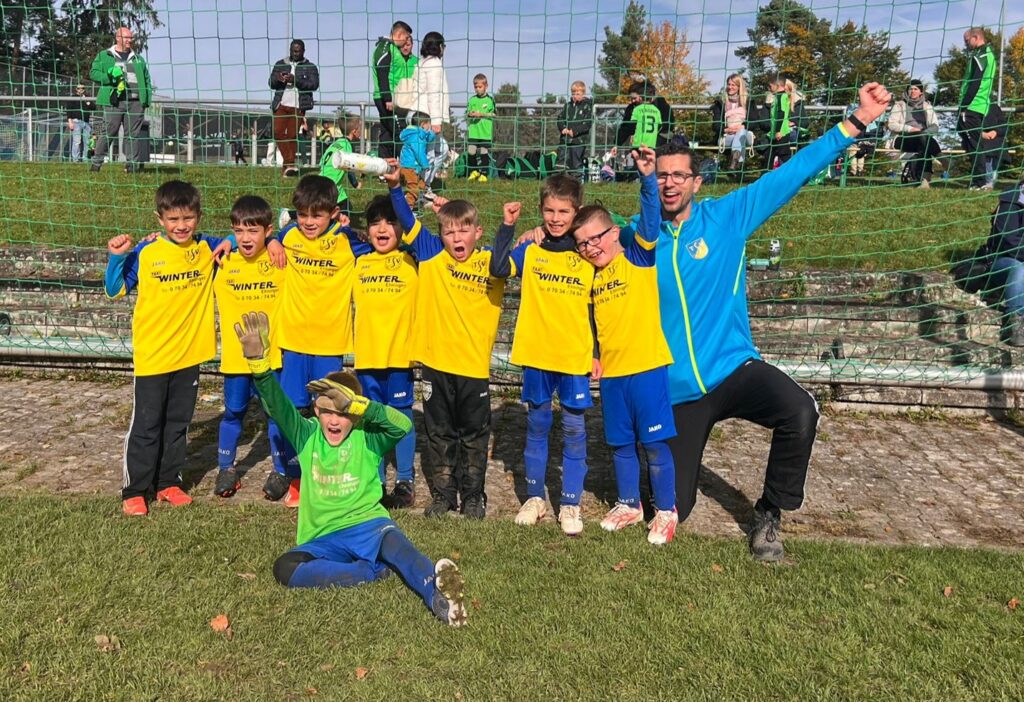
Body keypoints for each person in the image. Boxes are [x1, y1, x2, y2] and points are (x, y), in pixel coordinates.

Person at [622, 81, 892, 561]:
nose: (670, 183)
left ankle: (769, 513)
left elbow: (794, 171)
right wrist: (537, 234)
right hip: (675, 389)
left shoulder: (728, 217)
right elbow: (585, 239)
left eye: (679, 175)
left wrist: (858, 120)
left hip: (733, 368)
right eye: (662, 175)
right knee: (672, 507)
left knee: (800, 410)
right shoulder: (637, 238)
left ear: (696, 182)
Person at [232, 314, 467, 626]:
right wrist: (259, 365)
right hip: (323, 538)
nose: (333, 420)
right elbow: (278, 406)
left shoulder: (367, 437)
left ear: (355, 415)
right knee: (284, 568)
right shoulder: (306, 435)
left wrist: (360, 405)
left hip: (369, 527)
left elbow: (402, 425)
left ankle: (436, 593)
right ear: (316, 411)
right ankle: (368, 571)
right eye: (326, 412)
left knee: (400, 549)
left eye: (342, 413)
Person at [383, 162, 519, 519]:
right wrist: (396, 187)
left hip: (472, 368)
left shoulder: (491, 261)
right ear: (440, 235)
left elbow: (506, 260)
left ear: (478, 232)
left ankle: (473, 495)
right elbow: (406, 220)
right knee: (439, 432)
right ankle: (443, 495)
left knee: (473, 435)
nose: (457, 238)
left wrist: (509, 226)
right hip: (435, 364)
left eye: (464, 230)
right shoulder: (432, 254)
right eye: (449, 231)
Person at [103, 180, 233, 515]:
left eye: (188, 218)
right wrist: (117, 257)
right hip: (153, 356)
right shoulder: (146, 253)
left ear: (199, 217)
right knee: (147, 425)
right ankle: (135, 490)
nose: (181, 225)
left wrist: (233, 241)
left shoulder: (207, 247)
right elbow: (114, 289)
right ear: (160, 219)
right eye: (173, 219)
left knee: (178, 425)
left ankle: (168, 483)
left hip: (189, 355)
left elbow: (238, 238)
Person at [572, 147, 678, 546]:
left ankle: (665, 510)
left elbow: (650, 219)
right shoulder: (592, 277)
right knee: (619, 444)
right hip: (613, 374)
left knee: (654, 444)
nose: (589, 248)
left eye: (594, 239)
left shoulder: (638, 257)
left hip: (647, 366)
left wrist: (648, 179)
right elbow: (594, 322)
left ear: (614, 232)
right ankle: (629, 504)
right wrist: (595, 355)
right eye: (582, 244)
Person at [488, 175, 595, 535]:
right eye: (549, 211)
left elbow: (595, 308)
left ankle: (570, 502)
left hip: (574, 356)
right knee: (537, 425)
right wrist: (508, 227)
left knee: (575, 429)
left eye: (564, 211)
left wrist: (598, 352)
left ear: (577, 211)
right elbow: (498, 268)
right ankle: (535, 498)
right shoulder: (531, 248)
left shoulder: (587, 253)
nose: (555, 218)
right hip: (536, 353)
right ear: (540, 210)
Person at [270, 175, 372, 506]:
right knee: (291, 410)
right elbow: (256, 235)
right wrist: (271, 241)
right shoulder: (288, 236)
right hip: (293, 341)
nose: (309, 222)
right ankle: (290, 473)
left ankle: (324, 472)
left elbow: (384, 242)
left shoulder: (347, 240)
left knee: (328, 411)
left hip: (330, 344)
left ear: (334, 213)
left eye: (317, 215)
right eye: (302, 214)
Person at [212, 195, 289, 498]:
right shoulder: (222, 259)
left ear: (267, 230)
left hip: (272, 359)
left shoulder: (280, 258)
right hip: (236, 359)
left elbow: (302, 234)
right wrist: (229, 239)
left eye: (253, 231)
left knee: (275, 415)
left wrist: (276, 240)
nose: (245, 238)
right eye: (238, 231)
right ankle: (226, 468)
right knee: (233, 412)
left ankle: (281, 470)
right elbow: (189, 242)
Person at [352, 196, 419, 507]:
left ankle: (405, 479)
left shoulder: (413, 258)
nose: (382, 229)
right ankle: (375, 480)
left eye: (391, 222)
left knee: (401, 416)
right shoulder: (359, 259)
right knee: (372, 419)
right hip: (367, 356)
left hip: (400, 357)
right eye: (375, 223)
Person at [88, 26, 152, 173]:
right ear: (118, 38)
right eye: (127, 37)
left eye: (131, 37)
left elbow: (147, 79)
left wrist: (146, 99)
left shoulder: (138, 59)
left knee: (133, 135)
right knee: (108, 132)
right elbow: (93, 73)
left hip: (136, 103)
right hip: (114, 101)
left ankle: (132, 167)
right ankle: (96, 164)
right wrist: (109, 76)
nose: (130, 40)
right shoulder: (104, 55)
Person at [269, 39, 320, 177]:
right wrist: (278, 79)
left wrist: (295, 80)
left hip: (298, 106)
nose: (295, 53)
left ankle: (287, 169)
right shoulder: (280, 64)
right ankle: (290, 163)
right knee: (277, 132)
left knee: (292, 136)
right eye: (293, 51)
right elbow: (271, 83)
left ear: (303, 51)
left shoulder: (310, 67)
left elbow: (314, 85)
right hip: (281, 104)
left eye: (297, 51)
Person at [371, 21, 417, 159]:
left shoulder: (393, 49)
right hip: (388, 99)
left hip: (396, 98)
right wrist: (388, 98)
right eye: (406, 37)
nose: (405, 42)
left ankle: (385, 166)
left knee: (387, 133)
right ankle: (404, 166)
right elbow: (382, 73)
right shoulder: (385, 47)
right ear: (400, 34)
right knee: (400, 132)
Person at [958, 27, 996, 190]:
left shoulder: (982, 55)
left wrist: (964, 106)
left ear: (976, 37)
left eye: (967, 41)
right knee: (967, 138)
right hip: (977, 106)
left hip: (972, 106)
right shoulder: (986, 54)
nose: (965, 44)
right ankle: (978, 179)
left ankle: (980, 182)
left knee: (974, 144)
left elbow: (976, 82)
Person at [887, 79, 941, 189]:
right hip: (902, 138)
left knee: (924, 142)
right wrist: (909, 129)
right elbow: (891, 124)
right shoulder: (899, 105)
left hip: (922, 138)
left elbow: (935, 126)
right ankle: (941, 160)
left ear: (921, 92)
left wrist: (924, 133)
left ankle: (923, 181)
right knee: (925, 143)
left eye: (915, 89)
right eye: (910, 89)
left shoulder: (927, 106)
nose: (912, 91)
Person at [319, 115, 363, 220]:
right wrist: (355, 184)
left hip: (325, 179)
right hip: (330, 184)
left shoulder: (336, 143)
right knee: (320, 209)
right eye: (360, 128)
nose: (361, 131)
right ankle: (289, 214)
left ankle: (334, 225)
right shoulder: (347, 145)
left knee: (345, 207)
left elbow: (322, 161)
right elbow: (349, 168)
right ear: (354, 131)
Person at [710, 74, 754, 172]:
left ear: (739, 87)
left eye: (733, 85)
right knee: (739, 141)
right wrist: (727, 129)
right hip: (726, 137)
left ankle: (734, 164)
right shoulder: (720, 103)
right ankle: (736, 167)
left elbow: (754, 122)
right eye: (728, 84)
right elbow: (715, 125)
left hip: (745, 135)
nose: (730, 87)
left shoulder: (748, 101)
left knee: (741, 133)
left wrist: (742, 127)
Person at [762, 76, 807, 170]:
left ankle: (792, 172)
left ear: (777, 86)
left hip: (782, 132)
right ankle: (767, 174)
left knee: (783, 155)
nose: (769, 89)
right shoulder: (779, 97)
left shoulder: (781, 97)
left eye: (770, 86)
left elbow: (781, 114)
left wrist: (778, 131)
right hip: (778, 132)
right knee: (771, 153)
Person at [399, 112, 441, 208]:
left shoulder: (417, 133)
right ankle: (408, 208)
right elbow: (419, 152)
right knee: (413, 188)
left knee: (421, 184)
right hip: (409, 167)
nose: (430, 126)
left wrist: (433, 133)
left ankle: (416, 200)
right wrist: (425, 164)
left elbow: (427, 138)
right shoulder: (415, 137)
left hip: (412, 167)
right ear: (423, 124)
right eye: (429, 124)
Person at [557, 81, 593, 180]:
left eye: (577, 94)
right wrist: (563, 128)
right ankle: (560, 184)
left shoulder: (587, 106)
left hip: (578, 141)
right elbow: (560, 118)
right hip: (565, 140)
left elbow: (587, 123)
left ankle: (576, 184)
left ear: (583, 94)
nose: (575, 96)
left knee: (575, 165)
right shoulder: (567, 106)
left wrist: (575, 131)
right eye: (573, 93)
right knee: (560, 165)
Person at [466, 73, 496, 181]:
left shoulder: (490, 100)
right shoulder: (472, 100)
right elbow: (467, 113)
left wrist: (482, 114)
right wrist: (470, 114)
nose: (478, 89)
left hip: (485, 132)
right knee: (471, 151)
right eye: (476, 87)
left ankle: (484, 174)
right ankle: (474, 171)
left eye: (480, 87)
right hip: (474, 131)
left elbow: (494, 114)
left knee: (484, 152)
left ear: (486, 86)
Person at [980, 101, 1007, 191]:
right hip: (981, 141)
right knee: (987, 157)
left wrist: (995, 131)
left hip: (996, 141)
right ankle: (988, 182)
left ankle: (990, 182)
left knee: (994, 160)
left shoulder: (994, 108)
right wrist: (981, 133)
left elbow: (1003, 125)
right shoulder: (973, 109)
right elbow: (967, 126)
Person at [66, 84, 96, 163]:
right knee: (77, 141)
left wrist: (86, 100)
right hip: (76, 122)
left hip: (86, 122)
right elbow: (68, 111)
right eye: (79, 88)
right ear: (76, 89)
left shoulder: (87, 98)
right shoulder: (73, 98)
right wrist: (70, 122)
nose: (81, 89)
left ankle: (86, 159)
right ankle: (75, 159)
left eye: (82, 88)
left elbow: (93, 107)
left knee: (88, 141)